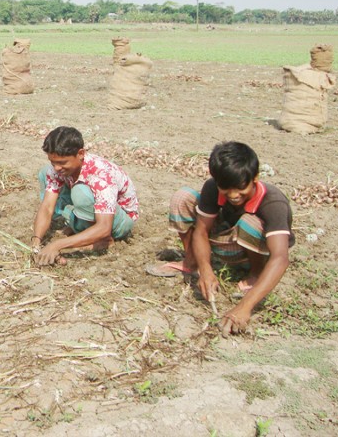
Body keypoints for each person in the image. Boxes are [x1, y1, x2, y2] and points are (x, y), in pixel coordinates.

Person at [147, 141, 294, 336]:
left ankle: (256, 274)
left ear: (255, 178)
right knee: (183, 197)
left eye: (240, 188)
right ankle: (192, 263)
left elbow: (280, 258)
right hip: (225, 239)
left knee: (249, 222)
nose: (233, 195)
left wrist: (244, 307)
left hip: (252, 247)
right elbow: (201, 231)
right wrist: (205, 270)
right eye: (225, 188)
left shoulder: (274, 202)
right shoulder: (212, 188)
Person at [32, 126, 138, 266]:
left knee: (80, 192)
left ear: (81, 153)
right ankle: (80, 228)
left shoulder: (100, 174)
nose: (57, 167)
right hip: (94, 210)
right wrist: (36, 242)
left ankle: (103, 240)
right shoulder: (57, 169)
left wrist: (57, 245)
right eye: (53, 162)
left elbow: (104, 227)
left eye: (63, 162)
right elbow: (47, 207)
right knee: (45, 172)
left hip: (118, 221)